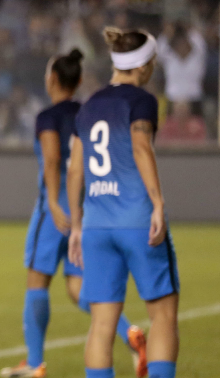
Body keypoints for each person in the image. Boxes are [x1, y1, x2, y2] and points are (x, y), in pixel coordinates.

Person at [0, 49, 146, 378]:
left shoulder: (47, 117)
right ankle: (131, 335)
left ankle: (35, 364)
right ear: (79, 81)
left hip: (56, 211)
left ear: (51, 79)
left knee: (37, 280)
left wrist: (52, 202)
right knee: (79, 287)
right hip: (87, 209)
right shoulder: (90, 113)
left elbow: (52, 159)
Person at [67, 27, 180, 378]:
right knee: (162, 315)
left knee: (102, 325)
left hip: (97, 226)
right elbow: (141, 145)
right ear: (143, 66)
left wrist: (75, 225)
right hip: (137, 222)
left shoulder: (88, 107)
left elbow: (74, 171)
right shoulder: (141, 101)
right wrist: (158, 203)